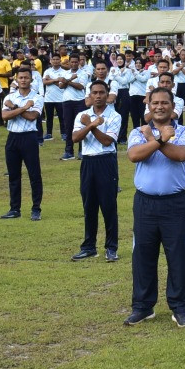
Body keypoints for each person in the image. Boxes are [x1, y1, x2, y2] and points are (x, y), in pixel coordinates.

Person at [125, 87, 185, 328]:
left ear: (172, 106)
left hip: (175, 203)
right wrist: (159, 138)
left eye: (164, 102)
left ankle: (180, 307)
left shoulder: (184, 131)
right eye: (155, 102)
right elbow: (134, 156)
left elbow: (180, 155)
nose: (159, 106)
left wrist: (155, 139)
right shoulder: (137, 131)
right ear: (149, 105)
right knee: (142, 255)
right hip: (145, 202)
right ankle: (143, 307)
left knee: (178, 256)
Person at [72, 79, 121, 262]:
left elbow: (108, 141)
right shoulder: (82, 115)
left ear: (107, 95)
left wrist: (90, 126)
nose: (98, 96)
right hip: (88, 162)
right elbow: (75, 138)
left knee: (108, 206)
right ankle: (89, 246)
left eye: (102, 93)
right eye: (95, 93)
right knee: (89, 206)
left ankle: (111, 247)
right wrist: (92, 125)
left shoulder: (115, 116)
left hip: (106, 162)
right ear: (90, 95)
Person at [1, 67, 44, 221]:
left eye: (26, 77)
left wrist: (15, 108)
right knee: (13, 174)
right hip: (13, 137)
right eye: (21, 78)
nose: (24, 80)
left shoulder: (37, 97)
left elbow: (33, 116)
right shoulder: (10, 96)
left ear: (31, 80)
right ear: (16, 79)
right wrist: (22, 108)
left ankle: (36, 208)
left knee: (34, 174)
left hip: (29, 137)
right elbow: (5, 116)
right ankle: (14, 208)